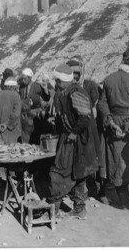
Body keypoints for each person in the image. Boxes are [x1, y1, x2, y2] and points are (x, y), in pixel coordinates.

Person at [46, 64, 98, 220]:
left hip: (77, 140)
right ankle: (79, 209)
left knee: (58, 171)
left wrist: (74, 133)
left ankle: (53, 210)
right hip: (72, 137)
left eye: (57, 80)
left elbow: (84, 117)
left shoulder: (75, 92)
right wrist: (57, 119)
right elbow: (71, 115)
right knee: (78, 174)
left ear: (63, 81)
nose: (55, 83)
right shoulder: (66, 92)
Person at [97, 48, 129, 208]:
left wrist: (111, 122)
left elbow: (101, 104)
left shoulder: (109, 79)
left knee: (117, 164)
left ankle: (124, 202)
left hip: (114, 128)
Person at [66, 58, 104, 201]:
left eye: (77, 72)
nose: (75, 75)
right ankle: (81, 192)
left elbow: (95, 106)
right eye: (72, 73)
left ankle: (99, 190)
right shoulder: (68, 88)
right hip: (78, 128)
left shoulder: (90, 85)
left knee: (93, 158)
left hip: (89, 127)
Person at [19, 68, 51, 144]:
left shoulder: (37, 86)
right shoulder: (21, 87)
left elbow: (46, 97)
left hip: (34, 116)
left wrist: (45, 89)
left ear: (30, 78)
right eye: (22, 78)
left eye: (25, 78)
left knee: (34, 136)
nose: (23, 80)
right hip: (24, 117)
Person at [0, 76, 21, 146]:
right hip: (11, 134)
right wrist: (7, 124)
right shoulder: (16, 96)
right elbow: (16, 114)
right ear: (13, 87)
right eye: (16, 88)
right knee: (12, 154)